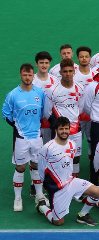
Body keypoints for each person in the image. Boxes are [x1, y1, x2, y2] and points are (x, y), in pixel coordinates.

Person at [36, 117, 99, 226]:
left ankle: (83, 215)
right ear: (56, 130)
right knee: (58, 222)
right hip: (57, 188)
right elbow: (41, 168)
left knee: (97, 192)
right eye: (61, 129)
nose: (64, 131)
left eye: (66, 128)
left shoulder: (72, 144)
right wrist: (46, 185)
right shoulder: (48, 147)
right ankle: (42, 207)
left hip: (71, 182)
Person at [4, 63, 46, 211]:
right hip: (21, 138)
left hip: (37, 137)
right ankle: (18, 198)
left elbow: (42, 113)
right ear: (20, 76)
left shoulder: (39, 93)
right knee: (20, 167)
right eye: (24, 75)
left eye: (30, 75)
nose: (27, 77)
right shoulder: (13, 94)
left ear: (33, 76)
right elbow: (6, 114)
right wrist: (17, 127)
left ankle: (40, 195)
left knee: (36, 165)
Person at [44, 58, 84, 177]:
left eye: (70, 71)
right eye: (65, 71)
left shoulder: (79, 88)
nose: (67, 74)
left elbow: (80, 108)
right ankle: (59, 181)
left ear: (74, 72)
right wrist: (58, 124)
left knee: (75, 158)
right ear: (60, 72)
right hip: (59, 130)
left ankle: (74, 182)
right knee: (59, 156)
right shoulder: (53, 90)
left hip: (75, 129)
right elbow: (47, 111)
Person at [32, 51, 56, 144]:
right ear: (36, 64)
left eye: (46, 63)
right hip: (35, 121)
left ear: (49, 64)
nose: (44, 65)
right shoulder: (32, 80)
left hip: (50, 121)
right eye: (41, 63)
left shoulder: (55, 80)